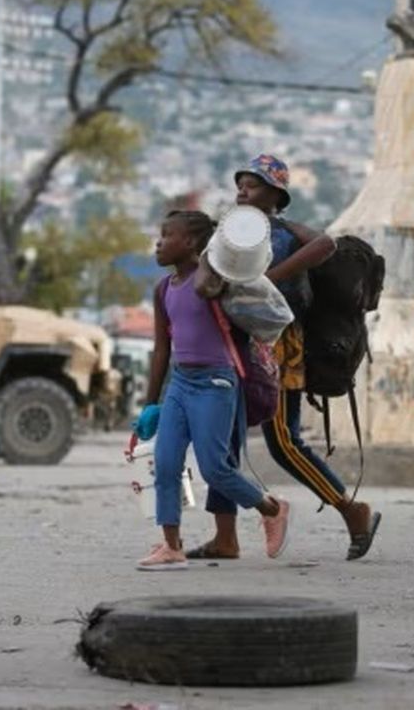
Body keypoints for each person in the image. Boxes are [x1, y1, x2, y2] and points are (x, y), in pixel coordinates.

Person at [186, 155, 381, 562]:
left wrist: (269, 279)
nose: (242, 190)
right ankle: (225, 538)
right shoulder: (232, 230)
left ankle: (352, 510)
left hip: (275, 345)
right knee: (225, 444)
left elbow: (326, 245)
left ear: (276, 195)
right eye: (240, 183)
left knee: (284, 442)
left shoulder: (285, 232)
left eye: (253, 185)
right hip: (235, 342)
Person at [134, 209, 292, 571]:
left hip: (216, 382)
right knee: (166, 463)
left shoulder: (213, 279)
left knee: (215, 468)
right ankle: (171, 546)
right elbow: (161, 348)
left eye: (165, 234)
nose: (157, 243)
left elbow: (205, 286)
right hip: (181, 383)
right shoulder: (163, 289)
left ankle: (272, 508)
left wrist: (209, 253)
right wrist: (150, 403)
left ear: (190, 243)